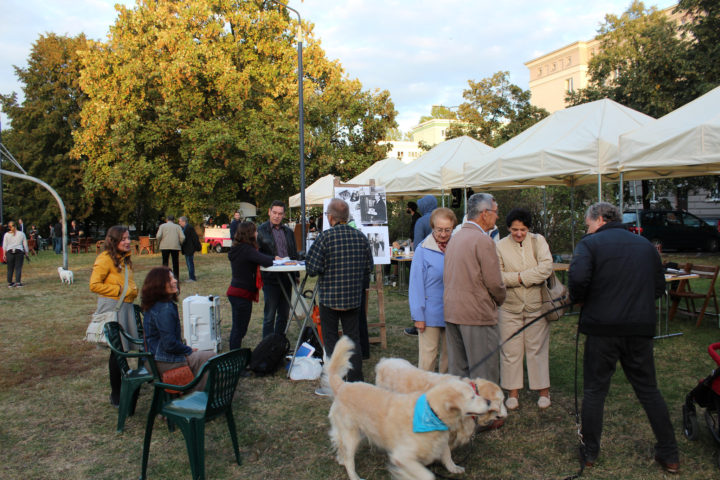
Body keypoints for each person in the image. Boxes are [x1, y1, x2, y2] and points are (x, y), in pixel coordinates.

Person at [568, 202, 679, 473]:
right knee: (649, 390)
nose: (587, 228)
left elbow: (578, 279)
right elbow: (658, 287)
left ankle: (590, 452)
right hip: (638, 328)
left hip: (602, 329)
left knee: (595, 390)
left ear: (599, 219)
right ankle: (670, 454)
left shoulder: (589, 244)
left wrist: (580, 299)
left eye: (588, 223)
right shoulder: (645, 246)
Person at [306, 198, 373, 391]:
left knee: (331, 341)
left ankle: (334, 383)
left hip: (330, 298)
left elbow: (312, 268)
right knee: (353, 340)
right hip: (353, 297)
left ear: (331, 217)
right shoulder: (360, 237)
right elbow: (368, 267)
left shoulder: (325, 238)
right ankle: (355, 380)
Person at [443, 193, 506, 382]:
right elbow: (494, 282)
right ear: (484, 213)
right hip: (477, 315)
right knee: (484, 375)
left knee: (459, 373)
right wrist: (500, 298)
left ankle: (463, 402)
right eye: (495, 212)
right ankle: (483, 402)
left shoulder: (455, 238)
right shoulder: (483, 241)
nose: (497, 216)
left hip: (453, 312)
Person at [495, 208, 553, 410]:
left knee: (537, 349)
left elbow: (546, 268)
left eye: (523, 229)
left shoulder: (539, 241)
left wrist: (519, 278)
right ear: (508, 228)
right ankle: (512, 393)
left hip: (536, 305)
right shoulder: (500, 246)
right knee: (510, 350)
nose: (519, 233)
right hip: (509, 307)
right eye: (514, 230)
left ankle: (543, 391)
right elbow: (498, 276)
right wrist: (523, 278)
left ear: (528, 228)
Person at [142, 267, 215, 392]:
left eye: (173, 277)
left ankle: (201, 392)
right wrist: (187, 350)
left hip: (153, 357)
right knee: (211, 358)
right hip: (161, 361)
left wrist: (185, 349)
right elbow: (169, 344)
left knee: (204, 356)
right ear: (158, 284)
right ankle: (202, 394)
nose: (175, 281)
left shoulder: (157, 304)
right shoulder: (164, 309)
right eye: (169, 279)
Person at [89, 226, 139, 408]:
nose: (128, 242)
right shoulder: (105, 259)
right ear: (113, 241)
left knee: (123, 349)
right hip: (113, 307)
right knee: (117, 351)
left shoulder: (125, 259)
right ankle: (116, 393)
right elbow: (94, 285)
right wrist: (118, 290)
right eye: (123, 239)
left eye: (128, 238)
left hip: (125, 306)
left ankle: (125, 384)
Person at [408, 207, 457, 373]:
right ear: (432, 227)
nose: (443, 234)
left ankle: (446, 387)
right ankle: (424, 387)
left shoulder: (458, 247)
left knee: (450, 358)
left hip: (453, 312)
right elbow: (416, 286)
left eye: (447, 230)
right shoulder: (422, 250)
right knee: (428, 358)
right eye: (439, 230)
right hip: (429, 313)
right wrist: (418, 316)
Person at [227, 222, 275, 350]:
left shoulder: (238, 248)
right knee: (239, 330)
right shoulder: (247, 249)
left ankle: (234, 353)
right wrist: (275, 258)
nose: (257, 233)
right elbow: (265, 260)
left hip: (235, 292)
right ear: (250, 233)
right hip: (242, 294)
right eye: (255, 231)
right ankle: (234, 356)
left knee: (237, 328)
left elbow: (260, 257)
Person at [257, 200, 298, 338]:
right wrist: (272, 258)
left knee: (284, 314)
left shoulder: (289, 232)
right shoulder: (261, 230)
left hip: (287, 277)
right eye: (274, 212)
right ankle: (267, 344)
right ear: (269, 212)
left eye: (280, 214)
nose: (277, 216)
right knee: (269, 315)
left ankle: (279, 343)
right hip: (270, 278)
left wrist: (296, 274)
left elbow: (293, 253)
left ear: (284, 215)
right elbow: (257, 254)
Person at [404, 195, 438, 337]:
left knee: (421, 294)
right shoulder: (441, 218)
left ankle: (418, 324)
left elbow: (418, 244)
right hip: (441, 261)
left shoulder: (421, 221)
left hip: (425, 261)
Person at [155, 214, 185, 281]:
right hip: (175, 246)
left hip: (164, 246)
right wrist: (180, 243)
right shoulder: (177, 227)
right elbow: (182, 237)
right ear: (174, 220)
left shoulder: (162, 226)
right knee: (175, 263)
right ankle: (176, 278)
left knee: (165, 262)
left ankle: (165, 278)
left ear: (167, 220)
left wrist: (159, 242)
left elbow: (158, 236)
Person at [3, 220, 28, 287]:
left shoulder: (6, 235)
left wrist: (4, 254)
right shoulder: (21, 234)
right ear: (16, 226)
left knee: (10, 268)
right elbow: (25, 245)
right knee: (18, 267)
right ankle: (18, 282)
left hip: (9, 252)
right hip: (19, 251)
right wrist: (26, 253)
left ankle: (10, 283)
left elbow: (4, 245)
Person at [178, 216, 201, 282]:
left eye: (180, 221)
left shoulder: (189, 228)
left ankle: (192, 277)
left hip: (189, 248)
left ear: (184, 221)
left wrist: (195, 247)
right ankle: (191, 276)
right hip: (187, 248)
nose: (179, 223)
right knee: (188, 263)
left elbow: (194, 238)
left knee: (190, 263)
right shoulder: (185, 228)